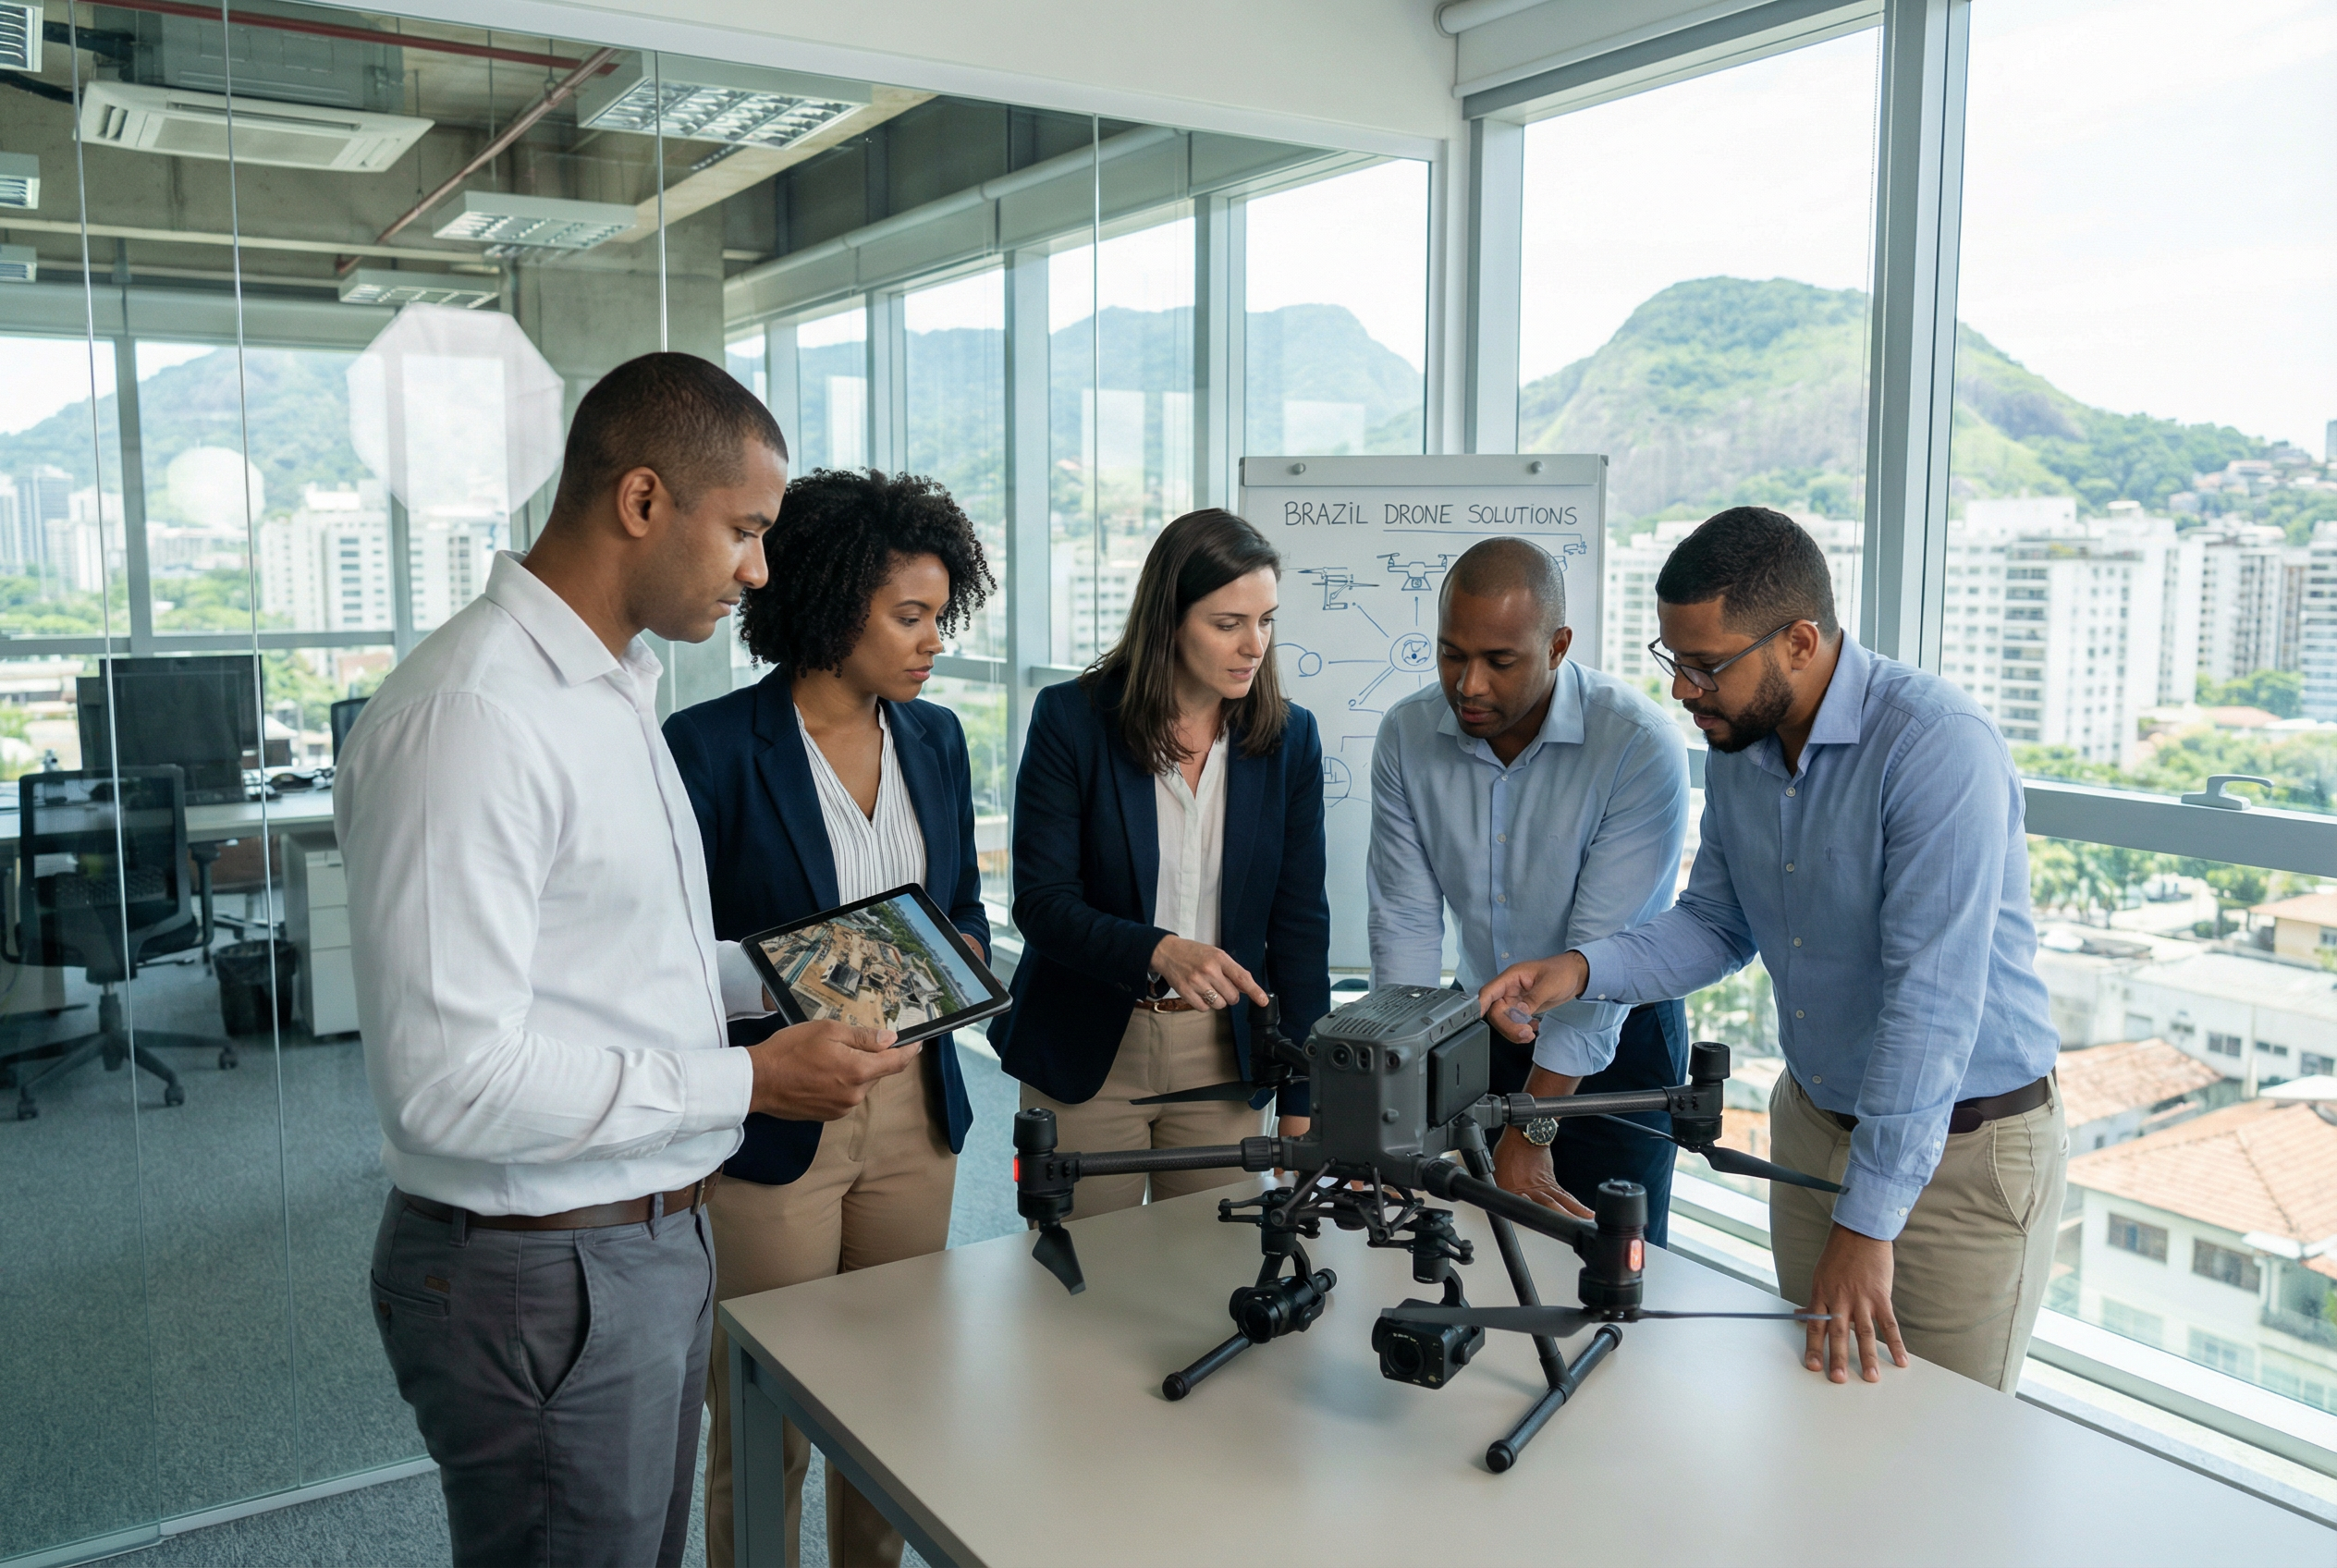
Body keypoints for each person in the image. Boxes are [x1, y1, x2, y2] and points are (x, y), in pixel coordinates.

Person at [341, 353, 920, 1568]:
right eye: (746, 530)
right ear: (644, 501)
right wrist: (752, 1084)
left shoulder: (608, 693)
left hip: (642, 1236)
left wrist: (806, 973)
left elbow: (631, 961)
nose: (760, 569)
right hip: (540, 1267)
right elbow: (453, 1079)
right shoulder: (474, 718)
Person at [1477, 506, 2066, 1392]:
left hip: (1960, 1155)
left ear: (1798, 640)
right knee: (1820, 1412)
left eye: (1707, 665)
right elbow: (1716, 923)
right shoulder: (1743, 744)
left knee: (1945, 1456)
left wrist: (1867, 1229)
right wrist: (1583, 969)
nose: (1683, 690)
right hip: (1816, 1130)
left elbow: (1931, 1005)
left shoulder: (1936, 747)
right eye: (1674, 661)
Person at [663, 468, 995, 1568]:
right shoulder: (706, 750)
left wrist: (963, 954)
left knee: (895, 1412)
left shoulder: (936, 739)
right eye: (909, 616)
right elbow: (660, 961)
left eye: (939, 618)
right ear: (825, 599)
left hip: (915, 1115)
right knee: (761, 1419)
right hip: (776, 1122)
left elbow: (959, 908)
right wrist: (814, 979)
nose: (931, 641)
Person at [994, 508, 1328, 1213]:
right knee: (1080, 1279)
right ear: (1168, 620)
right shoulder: (1072, 719)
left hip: (1225, 1055)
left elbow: (1300, 925)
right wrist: (1161, 951)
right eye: (1227, 623)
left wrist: (1305, 1097)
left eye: (1266, 620)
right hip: (1089, 1049)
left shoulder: (1290, 739)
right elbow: (1043, 902)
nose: (1254, 645)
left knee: (1213, 1276)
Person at [1368, 538, 1691, 1239]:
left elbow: (1601, 954)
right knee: (1473, 1245)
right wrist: (1389, 1095)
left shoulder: (1637, 745)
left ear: (1558, 645)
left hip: (1617, 1043)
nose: (1469, 685)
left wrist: (1534, 1129)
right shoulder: (1406, 735)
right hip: (1481, 1029)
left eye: (1499, 661)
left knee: (1610, 1262)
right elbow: (1405, 924)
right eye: (1452, 654)